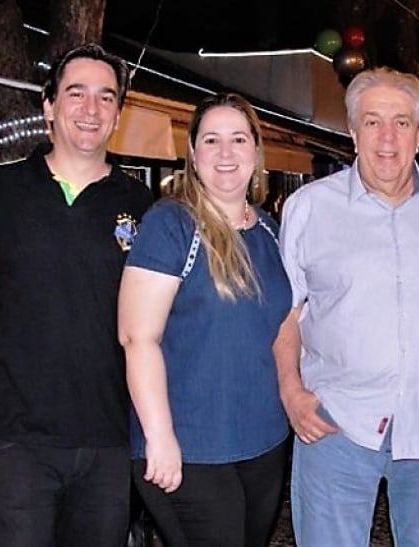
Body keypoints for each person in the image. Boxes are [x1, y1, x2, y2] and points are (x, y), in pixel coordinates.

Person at [274, 66, 419, 545]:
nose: (387, 138)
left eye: (402, 122)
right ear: (352, 131)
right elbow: (286, 311)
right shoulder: (309, 207)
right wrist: (291, 393)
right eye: (372, 122)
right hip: (336, 424)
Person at [0, 43, 153, 547]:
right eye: (76, 94)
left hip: (109, 436)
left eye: (105, 97)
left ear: (118, 113)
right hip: (15, 436)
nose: (90, 109)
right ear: (49, 106)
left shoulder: (140, 204)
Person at [119, 92, 291, 546]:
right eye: (211, 140)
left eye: (238, 138)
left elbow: (280, 325)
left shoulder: (270, 231)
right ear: (193, 154)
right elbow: (138, 338)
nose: (226, 152)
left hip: (263, 441)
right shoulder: (171, 225)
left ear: (257, 151)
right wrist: (159, 437)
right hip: (190, 446)